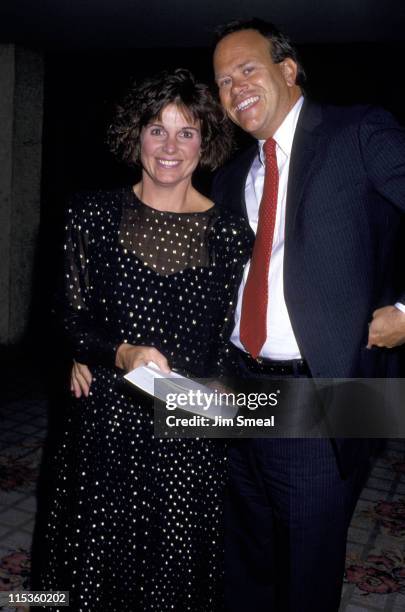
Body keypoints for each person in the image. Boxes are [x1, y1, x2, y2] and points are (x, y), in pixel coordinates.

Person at [36, 68, 252, 611]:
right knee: (85, 553)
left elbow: (230, 338)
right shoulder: (90, 214)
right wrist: (108, 353)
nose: (170, 146)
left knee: (174, 561)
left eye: (186, 132)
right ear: (136, 137)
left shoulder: (231, 233)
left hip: (186, 421)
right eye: (157, 129)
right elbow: (65, 316)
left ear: (207, 141)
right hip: (104, 416)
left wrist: (226, 411)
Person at [211, 17, 405, 612]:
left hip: (329, 387)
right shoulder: (231, 176)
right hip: (240, 386)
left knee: (307, 568)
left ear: (288, 70)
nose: (235, 86)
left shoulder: (358, 130)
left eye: (248, 68)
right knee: (244, 554)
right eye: (222, 81)